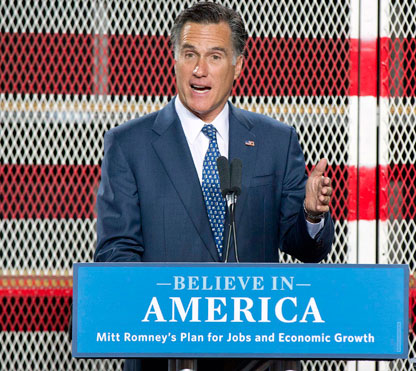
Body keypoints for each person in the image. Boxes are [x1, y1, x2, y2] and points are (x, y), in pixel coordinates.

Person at [94, 2, 334, 370]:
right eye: (189, 54)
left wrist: (312, 214)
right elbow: (116, 253)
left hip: (260, 358)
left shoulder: (276, 141)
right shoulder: (129, 145)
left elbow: (303, 247)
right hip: (165, 357)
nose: (199, 70)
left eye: (215, 56)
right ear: (174, 59)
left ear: (239, 65)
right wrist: (170, 312)